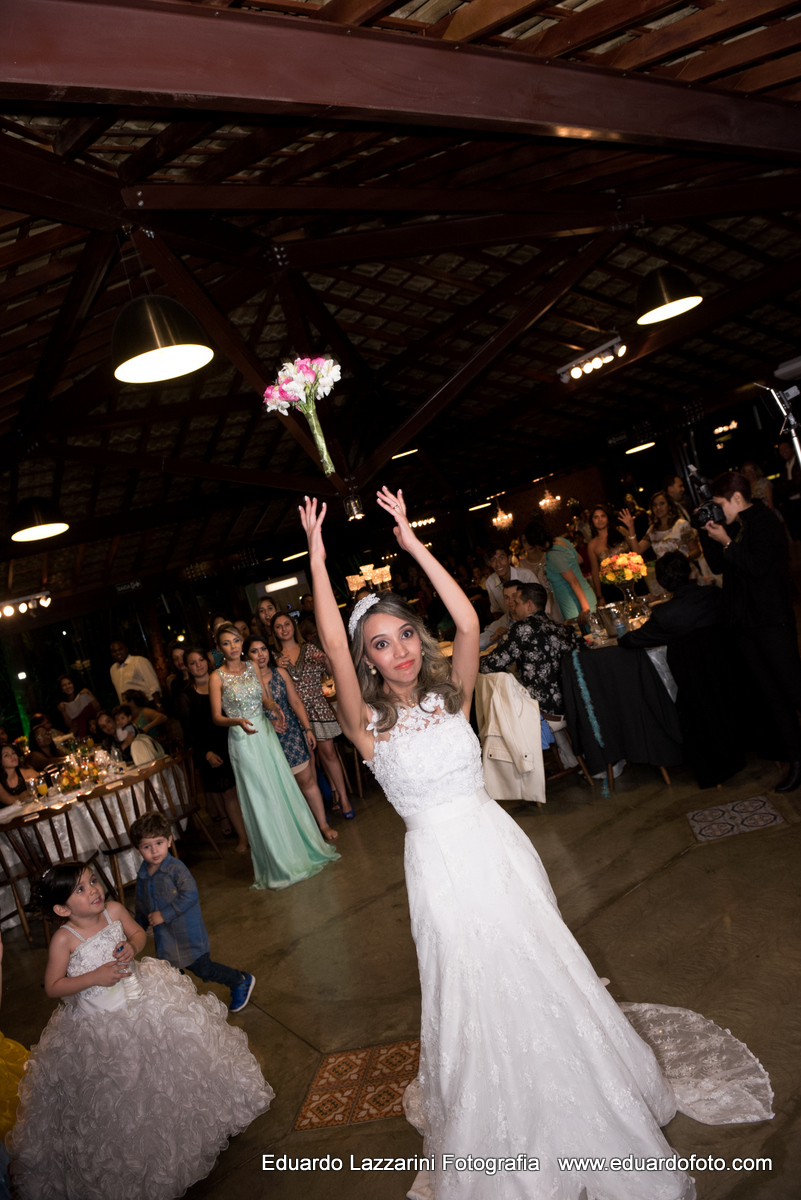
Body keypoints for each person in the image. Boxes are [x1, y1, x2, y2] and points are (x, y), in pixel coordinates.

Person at [301, 484, 772, 1200]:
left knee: (537, 963)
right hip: (436, 869)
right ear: (365, 661)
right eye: (380, 644)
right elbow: (331, 640)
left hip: (495, 849)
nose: (396, 650)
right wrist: (317, 553)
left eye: (401, 636)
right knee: (470, 982)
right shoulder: (370, 730)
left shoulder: (450, 695)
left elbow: (463, 619)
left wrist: (412, 544)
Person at [9, 862, 272, 1199]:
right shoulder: (64, 939)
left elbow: (136, 934)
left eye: (92, 880)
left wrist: (132, 947)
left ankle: (198, 1125)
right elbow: (53, 985)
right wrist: (94, 977)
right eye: (81, 889)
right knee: (126, 1087)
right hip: (100, 1023)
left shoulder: (114, 910)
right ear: (62, 909)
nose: (93, 889)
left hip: (143, 1000)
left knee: (170, 1062)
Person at [209, 622, 339, 889]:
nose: (233, 647)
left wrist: (273, 707)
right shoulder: (217, 677)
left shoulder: (252, 667)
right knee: (261, 796)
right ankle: (278, 860)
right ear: (219, 648)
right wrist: (237, 721)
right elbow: (216, 717)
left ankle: (297, 848)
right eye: (226, 643)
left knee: (281, 790)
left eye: (236, 641)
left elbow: (264, 698)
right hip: (243, 740)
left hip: (266, 734)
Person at [703, 469, 801, 793]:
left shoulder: (765, 520)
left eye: (719, 504)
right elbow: (718, 566)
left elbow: (757, 566)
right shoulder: (728, 527)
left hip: (772, 621)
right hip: (743, 625)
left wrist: (728, 541)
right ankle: (796, 762)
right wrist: (710, 534)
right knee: (772, 698)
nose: (718, 510)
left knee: (793, 690)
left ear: (737, 498)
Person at [131, 810, 255, 1012]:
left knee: (203, 970)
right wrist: (138, 926)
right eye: (147, 846)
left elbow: (190, 894)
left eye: (159, 843)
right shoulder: (144, 874)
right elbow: (142, 903)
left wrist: (164, 914)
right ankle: (184, 1008)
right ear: (137, 850)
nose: (154, 851)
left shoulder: (176, 869)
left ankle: (239, 980)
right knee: (172, 974)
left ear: (170, 841)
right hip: (166, 939)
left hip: (187, 934)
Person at [244, 636, 337, 844]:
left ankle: (322, 824)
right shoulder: (246, 682)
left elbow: (295, 701)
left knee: (307, 781)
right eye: (254, 651)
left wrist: (307, 729)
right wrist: (268, 723)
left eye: (263, 649)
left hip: (290, 734)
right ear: (247, 656)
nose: (260, 654)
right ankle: (298, 833)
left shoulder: (280, 673)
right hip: (264, 738)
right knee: (281, 789)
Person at [271, 612, 355, 818]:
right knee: (308, 763)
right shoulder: (274, 657)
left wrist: (325, 658)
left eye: (287, 624)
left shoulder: (308, 648)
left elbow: (330, 671)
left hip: (318, 705)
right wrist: (275, 668)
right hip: (294, 714)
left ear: (294, 626)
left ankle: (343, 797)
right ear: (274, 632)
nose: (284, 629)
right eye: (278, 626)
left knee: (329, 754)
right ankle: (318, 813)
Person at [177, 647, 248, 852]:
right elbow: (189, 732)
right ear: (187, 668)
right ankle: (243, 838)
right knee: (229, 794)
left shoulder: (223, 681)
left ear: (208, 661)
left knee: (245, 788)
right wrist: (206, 753)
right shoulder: (185, 697)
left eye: (201, 660)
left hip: (235, 739)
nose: (198, 665)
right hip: (212, 750)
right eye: (193, 662)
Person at [480, 581, 580, 716]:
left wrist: (476, 661)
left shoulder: (522, 628)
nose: (514, 607)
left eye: (517, 603)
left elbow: (490, 665)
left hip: (542, 708)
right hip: (573, 701)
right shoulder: (562, 629)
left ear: (529, 605)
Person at [618, 551, 721, 649]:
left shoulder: (663, 615)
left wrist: (620, 639)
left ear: (660, 582)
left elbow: (634, 639)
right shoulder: (715, 593)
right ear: (689, 571)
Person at [620, 491, 701, 586]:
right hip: (666, 578)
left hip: (686, 576)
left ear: (669, 506)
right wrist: (631, 527)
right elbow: (637, 550)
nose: (658, 508)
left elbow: (696, 551)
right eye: (655, 505)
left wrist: (679, 562)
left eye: (662, 503)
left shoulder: (681, 524)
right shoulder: (652, 530)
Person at [525, 518, 597, 622]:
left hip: (576, 605)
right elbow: (579, 559)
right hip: (584, 595)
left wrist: (585, 609)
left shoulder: (554, 554)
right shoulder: (560, 541)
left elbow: (574, 582)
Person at [586, 503, 628, 604]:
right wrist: (600, 596)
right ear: (592, 521)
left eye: (602, 516)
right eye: (596, 517)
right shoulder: (592, 545)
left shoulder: (620, 531)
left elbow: (636, 550)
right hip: (612, 587)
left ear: (608, 518)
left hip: (631, 579)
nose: (600, 519)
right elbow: (595, 571)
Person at [484, 544, 537, 618]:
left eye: (501, 558)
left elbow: (539, 604)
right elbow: (496, 610)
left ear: (509, 559)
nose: (498, 564)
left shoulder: (526, 576)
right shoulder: (490, 582)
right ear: (489, 562)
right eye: (493, 559)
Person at [109, 639, 161, 704]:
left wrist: (158, 704)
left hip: (146, 704)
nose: (118, 653)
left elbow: (154, 685)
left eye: (120, 649)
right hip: (127, 708)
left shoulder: (139, 661)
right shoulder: (113, 669)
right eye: (114, 651)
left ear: (126, 649)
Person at [773, 437, 801, 540]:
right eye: (781, 450)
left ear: (793, 448)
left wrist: (787, 487)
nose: (783, 452)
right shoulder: (784, 467)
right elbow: (780, 487)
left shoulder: (799, 461)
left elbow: (796, 483)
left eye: (785, 448)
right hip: (791, 504)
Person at [55, 674, 99, 738]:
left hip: (95, 728)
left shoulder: (83, 693)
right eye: (64, 685)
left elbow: (98, 708)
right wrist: (63, 711)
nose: (67, 686)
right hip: (82, 734)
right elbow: (70, 725)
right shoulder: (63, 704)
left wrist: (90, 694)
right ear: (61, 688)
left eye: (69, 683)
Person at [165, 641, 189, 705]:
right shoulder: (173, 681)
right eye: (175, 658)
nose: (179, 660)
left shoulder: (200, 676)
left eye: (182, 655)